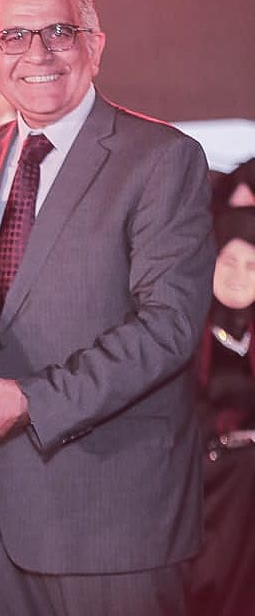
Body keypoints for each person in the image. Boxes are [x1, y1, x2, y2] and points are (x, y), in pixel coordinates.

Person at [0, 0, 214, 615]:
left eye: (59, 31)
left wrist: (34, 401)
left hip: (112, 517)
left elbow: (168, 327)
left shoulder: (162, 158)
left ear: (96, 45)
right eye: (14, 35)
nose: (37, 53)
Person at [186, 207, 255, 616]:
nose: (238, 276)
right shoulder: (186, 328)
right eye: (229, 261)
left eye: (252, 265)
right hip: (201, 466)